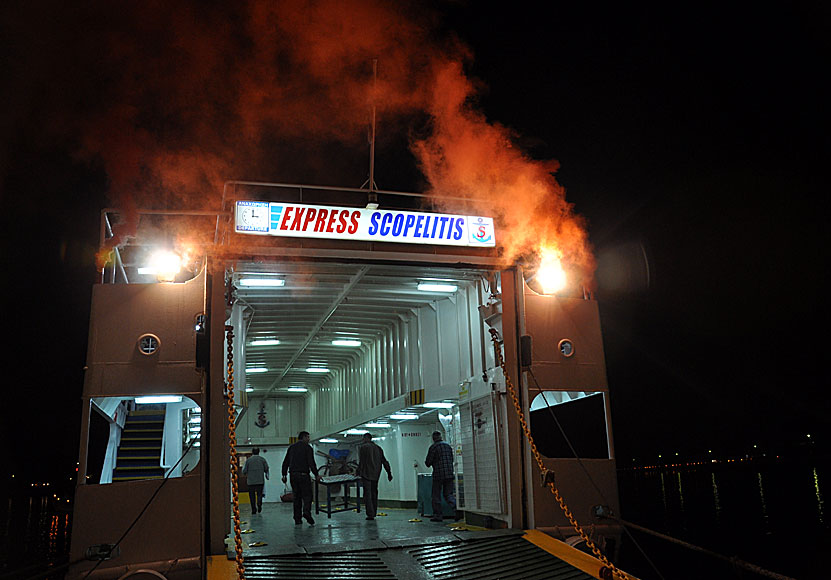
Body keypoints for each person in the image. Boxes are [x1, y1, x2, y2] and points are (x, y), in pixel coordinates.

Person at [281, 431, 319, 525]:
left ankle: (297, 519)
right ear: (304, 437)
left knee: (296, 497)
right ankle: (306, 512)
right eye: (308, 437)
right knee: (307, 496)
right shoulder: (308, 448)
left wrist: (284, 475)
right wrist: (316, 474)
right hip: (304, 475)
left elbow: (285, 462)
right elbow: (311, 462)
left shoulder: (291, 447)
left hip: (293, 475)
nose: (309, 439)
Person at [356, 432, 393, 520]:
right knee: (374, 493)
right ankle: (374, 512)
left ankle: (370, 514)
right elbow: (384, 461)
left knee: (367, 494)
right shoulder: (378, 448)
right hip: (376, 474)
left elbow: (362, 461)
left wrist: (358, 472)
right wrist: (389, 473)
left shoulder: (364, 447)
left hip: (366, 474)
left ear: (365, 438)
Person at [425, 431, 458, 522]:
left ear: (433, 438)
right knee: (448, 494)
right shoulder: (448, 446)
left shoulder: (433, 447)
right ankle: (457, 510)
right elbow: (452, 459)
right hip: (450, 474)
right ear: (441, 437)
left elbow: (428, 462)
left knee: (436, 496)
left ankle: (438, 516)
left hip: (438, 475)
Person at [242, 447, 269, 515]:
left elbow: (244, 470)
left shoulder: (248, 460)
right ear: (259, 452)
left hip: (251, 481)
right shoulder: (262, 459)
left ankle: (253, 509)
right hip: (260, 480)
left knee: (252, 495)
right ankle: (259, 503)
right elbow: (266, 469)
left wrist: (245, 473)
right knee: (259, 494)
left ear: (252, 452)